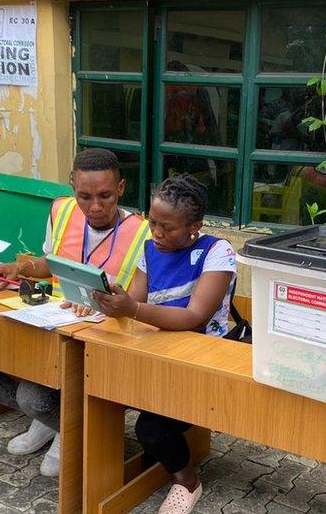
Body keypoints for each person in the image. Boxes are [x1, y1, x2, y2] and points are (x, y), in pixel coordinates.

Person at [0, 148, 150, 476]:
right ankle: (52, 420)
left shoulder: (143, 232)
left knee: (32, 396)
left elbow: (138, 302)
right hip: (54, 322)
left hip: (102, 337)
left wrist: (111, 305)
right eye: (84, 196)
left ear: (121, 188)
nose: (95, 206)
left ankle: (64, 425)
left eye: (105, 196)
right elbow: (47, 264)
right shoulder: (61, 211)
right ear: (71, 186)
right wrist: (17, 267)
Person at [93, 174, 236, 514]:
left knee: (151, 427)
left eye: (167, 227)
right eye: (152, 222)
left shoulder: (217, 252)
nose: (156, 232)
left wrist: (133, 308)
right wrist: (106, 301)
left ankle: (187, 482)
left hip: (201, 360)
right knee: (95, 386)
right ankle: (101, 467)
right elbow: (135, 302)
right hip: (157, 354)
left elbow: (194, 317)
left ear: (194, 226)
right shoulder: (150, 249)